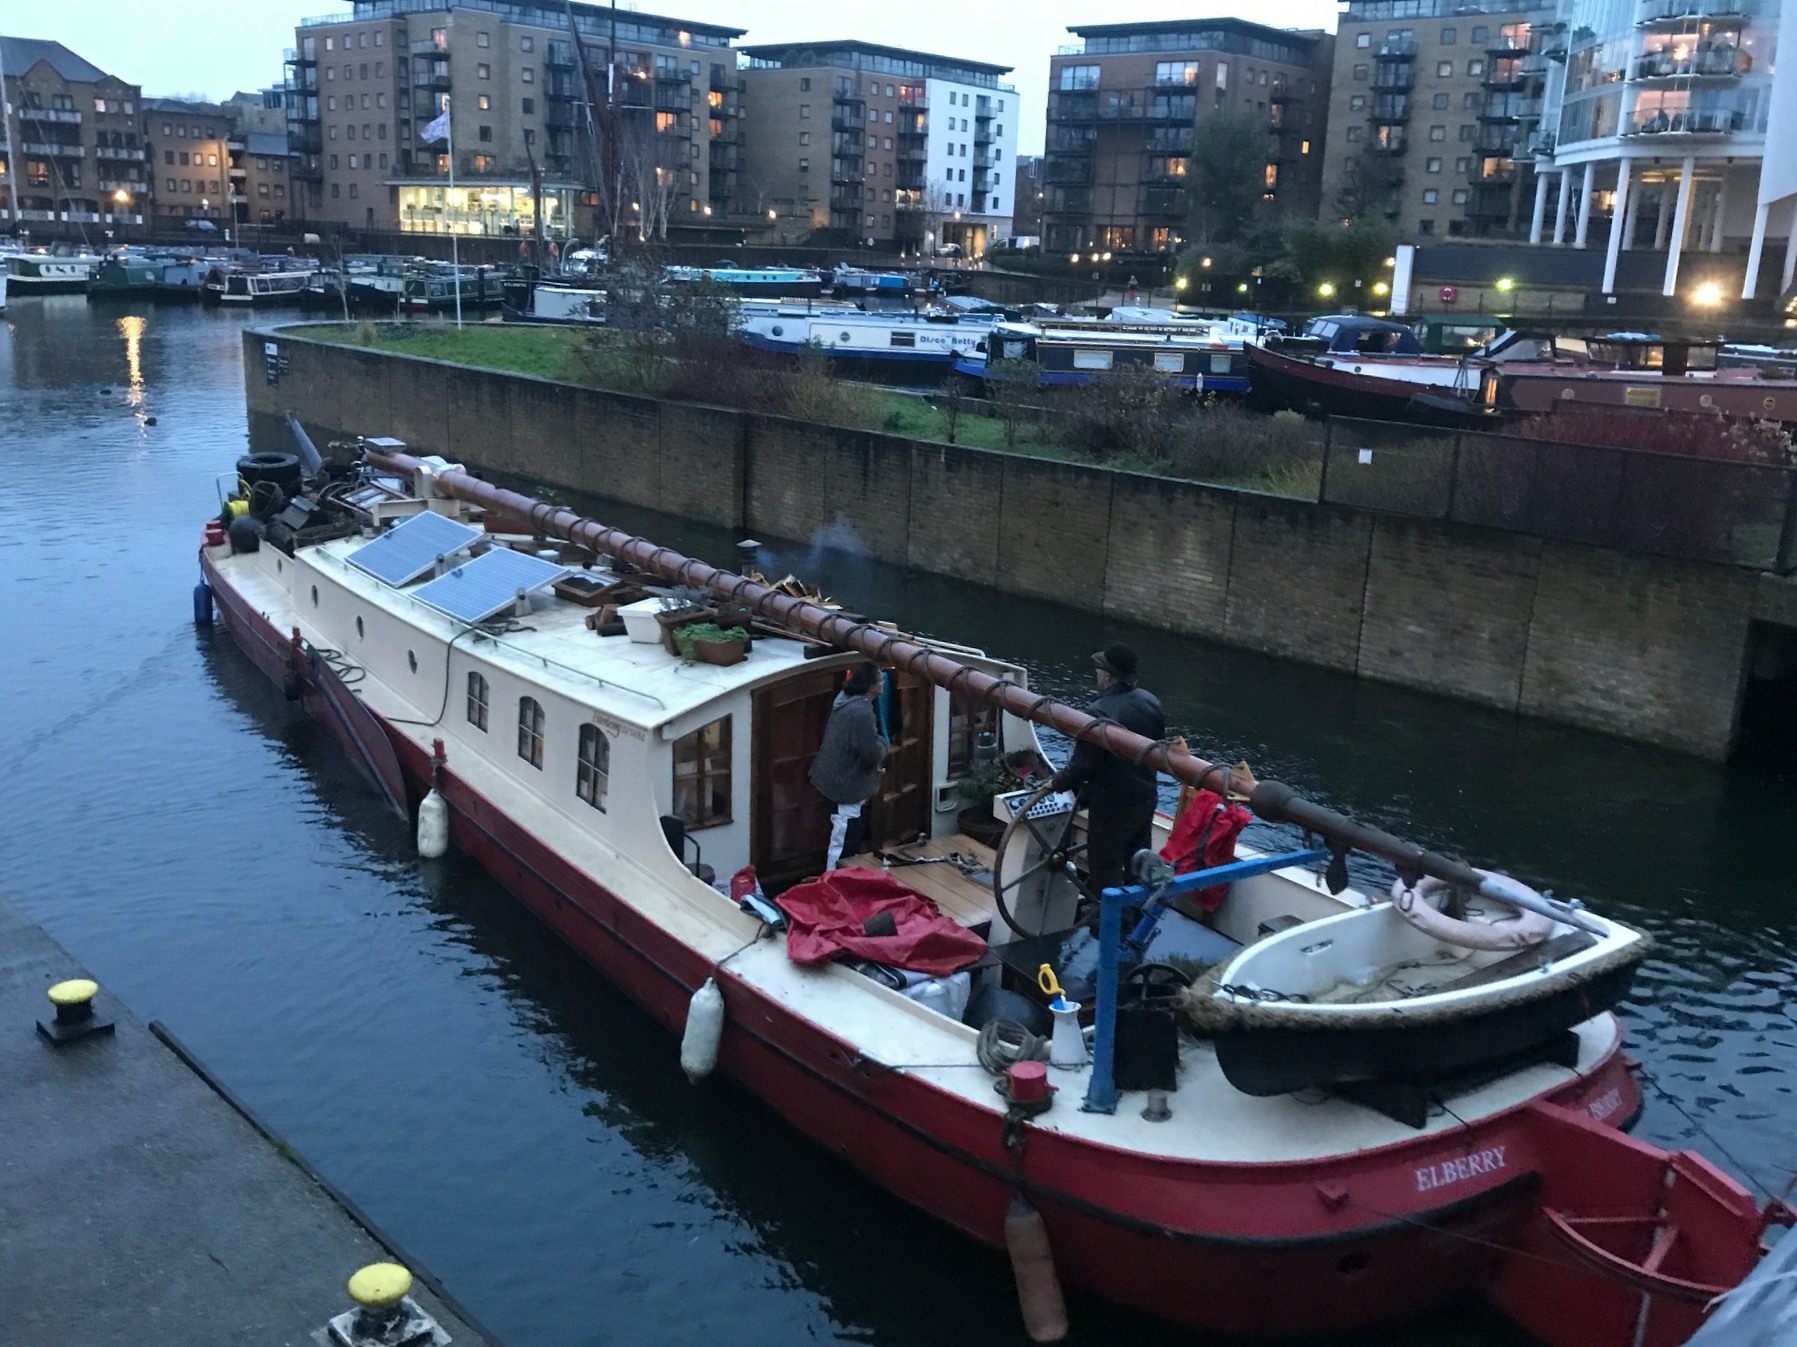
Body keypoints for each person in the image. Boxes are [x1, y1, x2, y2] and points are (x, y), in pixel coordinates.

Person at [1050, 643, 1165, 895]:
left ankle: (1108, 921)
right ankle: (1134, 914)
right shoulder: (1151, 702)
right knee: (1138, 858)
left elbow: (1083, 765)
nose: (1096, 674)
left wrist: (1055, 783)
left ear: (1109, 675)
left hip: (1112, 805)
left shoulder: (1098, 712)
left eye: (1099, 669)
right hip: (1144, 797)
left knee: (1105, 865)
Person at [809, 663, 889, 870]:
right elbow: (871, 753)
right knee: (844, 842)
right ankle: (833, 884)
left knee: (844, 835)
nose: (883, 683)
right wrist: (883, 745)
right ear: (871, 686)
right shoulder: (861, 712)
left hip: (831, 778)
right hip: (846, 787)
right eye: (880, 680)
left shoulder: (844, 699)